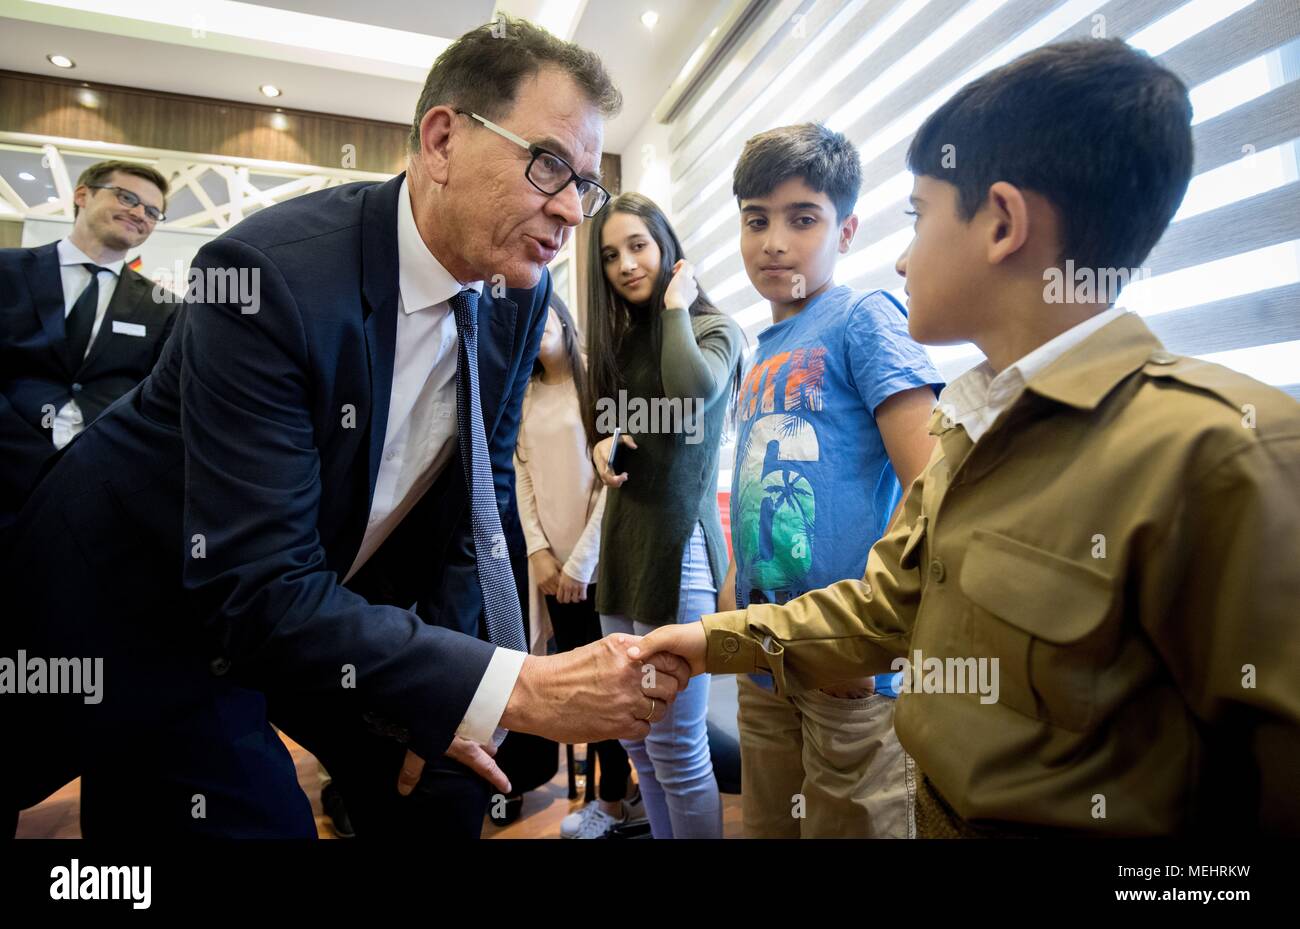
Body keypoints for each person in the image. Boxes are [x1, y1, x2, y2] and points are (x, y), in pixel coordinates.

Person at [1, 16, 687, 839]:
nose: (574, 211)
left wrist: (454, 691)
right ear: (441, 140)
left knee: (442, 782)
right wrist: (523, 687)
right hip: (151, 603)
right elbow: (253, 585)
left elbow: (475, 504)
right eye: (550, 167)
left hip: (306, 599)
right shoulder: (266, 278)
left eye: (587, 183)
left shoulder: (520, 291)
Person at [631, 38, 1300, 836]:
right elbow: (886, 609)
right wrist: (716, 638)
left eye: (919, 215)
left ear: (1003, 223)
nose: (905, 258)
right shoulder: (976, 428)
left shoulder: (1226, 455)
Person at [722, 123, 941, 838]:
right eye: (756, 219)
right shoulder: (759, 353)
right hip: (763, 652)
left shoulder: (865, 318)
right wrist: (733, 582)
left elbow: (930, 491)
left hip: (847, 664)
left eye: (802, 218)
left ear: (845, 230)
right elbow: (758, 478)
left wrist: (870, 636)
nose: (774, 241)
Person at [586, 192, 743, 839]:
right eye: (611, 255)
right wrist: (600, 443)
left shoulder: (712, 329)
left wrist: (678, 305)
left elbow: (692, 389)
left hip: (678, 557)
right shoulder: (623, 341)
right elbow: (620, 429)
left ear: (667, 246)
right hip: (621, 553)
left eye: (639, 246)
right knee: (639, 745)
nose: (625, 264)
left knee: (678, 752)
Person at [514, 294, 644, 838]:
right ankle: (611, 795)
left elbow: (612, 486)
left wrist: (580, 564)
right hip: (549, 571)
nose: (536, 325)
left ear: (563, 314)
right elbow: (519, 476)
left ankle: (613, 800)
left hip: (596, 570)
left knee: (607, 689)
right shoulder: (521, 394)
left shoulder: (597, 385)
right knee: (576, 691)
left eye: (542, 310)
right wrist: (539, 553)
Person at [0, 160, 178, 548]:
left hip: (99, 489)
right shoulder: (8, 271)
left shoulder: (164, 306)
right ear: (83, 195)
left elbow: (155, 397)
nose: (138, 213)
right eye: (127, 197)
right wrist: (29, 459)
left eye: (152, 211)